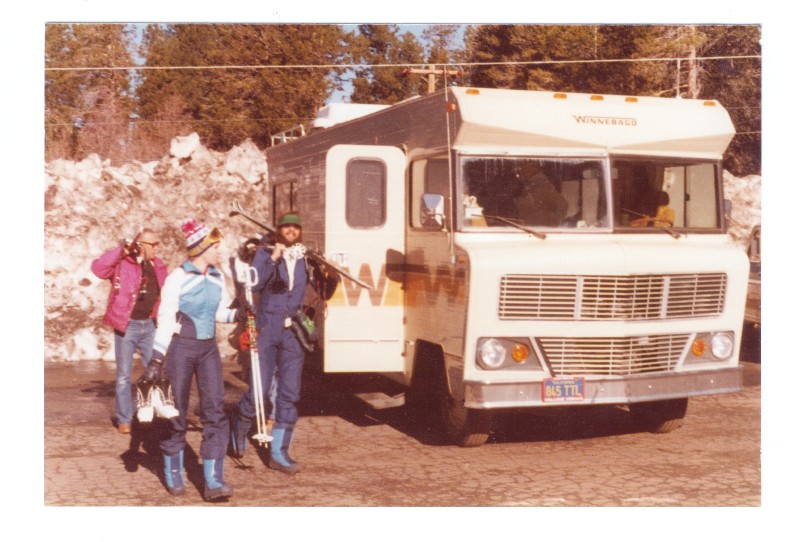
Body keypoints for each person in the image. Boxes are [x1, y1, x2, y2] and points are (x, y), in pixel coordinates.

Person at [140, 218, 248, 501]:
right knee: (177, 410)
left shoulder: (216, 277)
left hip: (208, 347)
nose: (219, 251)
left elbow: (220, 313)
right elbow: (165, 320)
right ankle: (173, 472)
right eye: (215, 246)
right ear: (200, 248)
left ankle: (213, 480)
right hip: (181, 347)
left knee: (215, 410)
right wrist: (156, 359)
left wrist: (238, 315)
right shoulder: (178, 278)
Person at [230, 212, 309, 475]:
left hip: (292, 331)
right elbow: (253, 282)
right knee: (259, 392)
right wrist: (273, 258)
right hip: (266, 326)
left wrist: (329, 274)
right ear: (278, 230)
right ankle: (239, 428)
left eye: (295, 228)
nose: (290, 231)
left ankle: (279, 453)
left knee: (289, 393)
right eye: (286, 226)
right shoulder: (265, 253)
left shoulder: (303, 257)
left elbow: (321, 290)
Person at [91, 228, 167, 434]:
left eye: (157, 243)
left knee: (154, 372)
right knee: (124, 375)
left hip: (150, 325)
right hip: (127, 326)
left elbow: (165, 293)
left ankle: (150, 415)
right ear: (141, 245)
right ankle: (125, 418)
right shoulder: (123, 264)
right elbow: (98, 269)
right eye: (153, 244)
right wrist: (121, 250)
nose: (157, 248)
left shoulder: (159, 265)